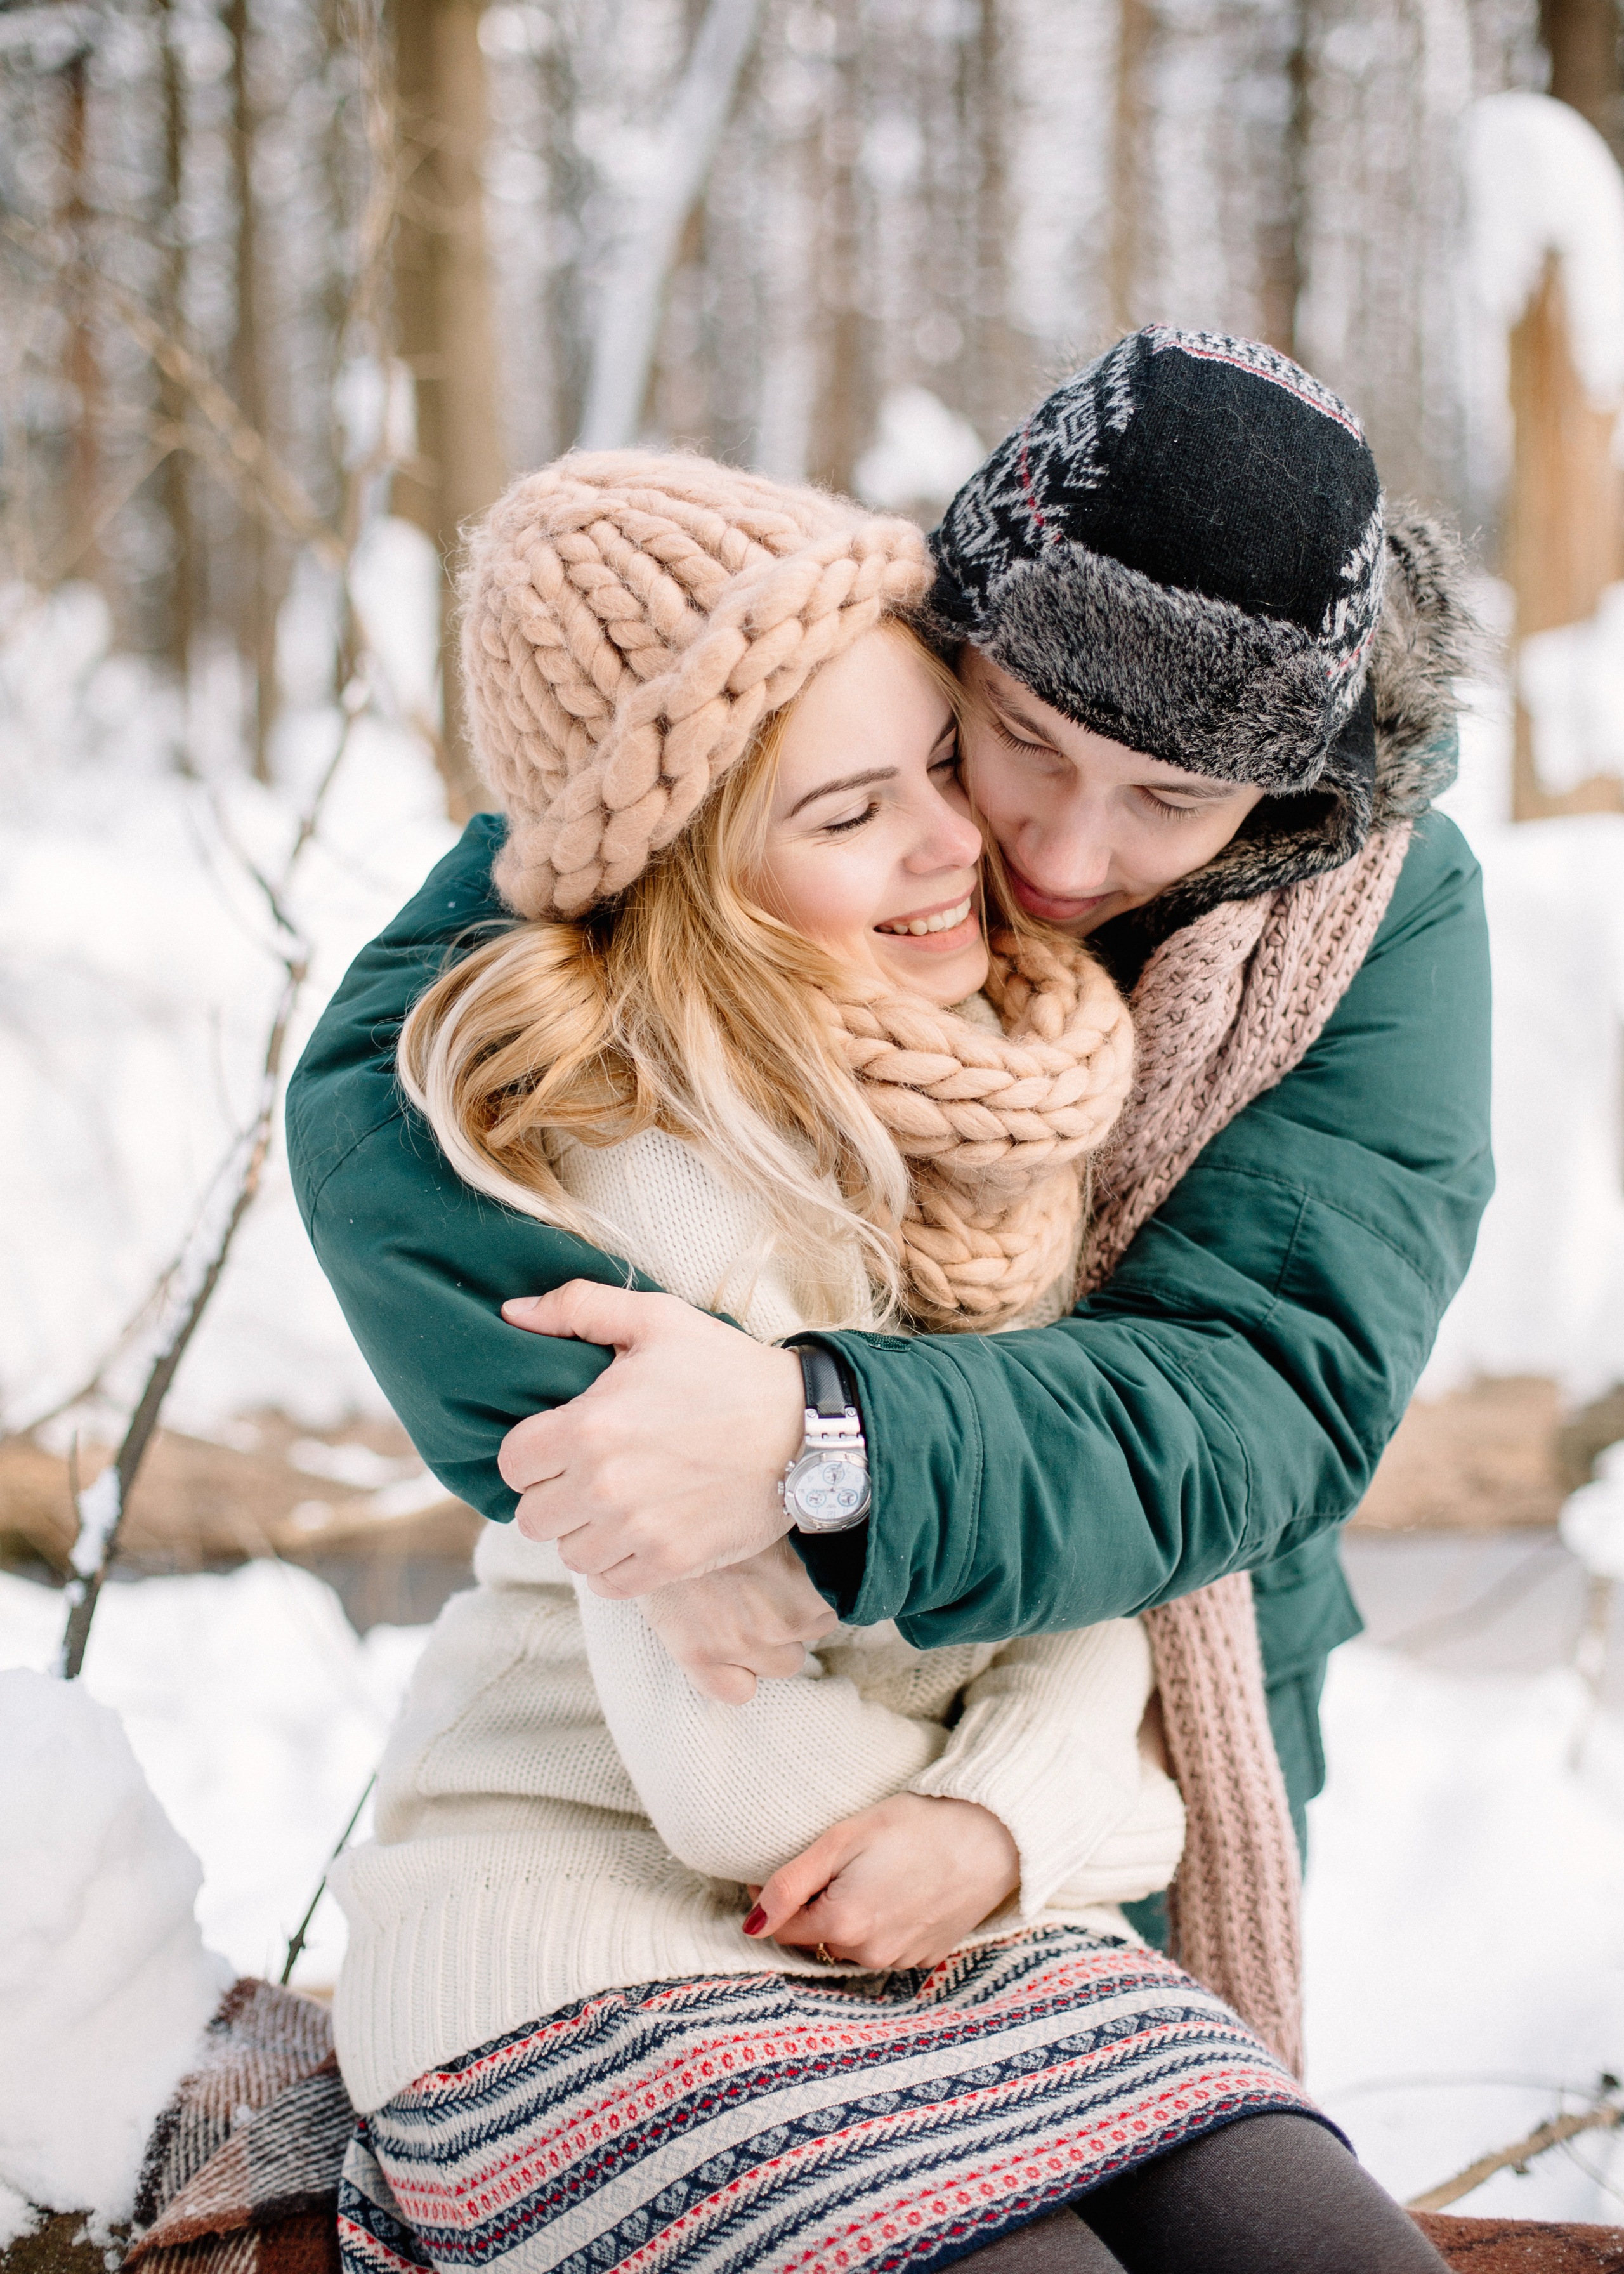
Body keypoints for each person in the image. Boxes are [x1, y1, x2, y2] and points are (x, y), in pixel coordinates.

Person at [325, 452, 1449, 2274]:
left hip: (970, 1909)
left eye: (939, 763)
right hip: (602, 1924)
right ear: (692, 867)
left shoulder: (1016, 1094)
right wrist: (992, 1826)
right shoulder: (645, 1159)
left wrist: (1006, 1826)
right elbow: (734, 1788)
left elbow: (1140, 1514)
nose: (976, 850)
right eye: (854, 811)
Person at [288, 327, 1491, 1875]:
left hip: (1170, 1677)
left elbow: (1266, 1382)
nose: (1057, 857)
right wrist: (639, 1477)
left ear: (1288, 787)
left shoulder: (1382, 913)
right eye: (1019, 743)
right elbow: (377, 1096)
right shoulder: (811, 701)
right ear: (953, 634)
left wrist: (814, 1450)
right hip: (748, 1740)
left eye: (1169, 802)